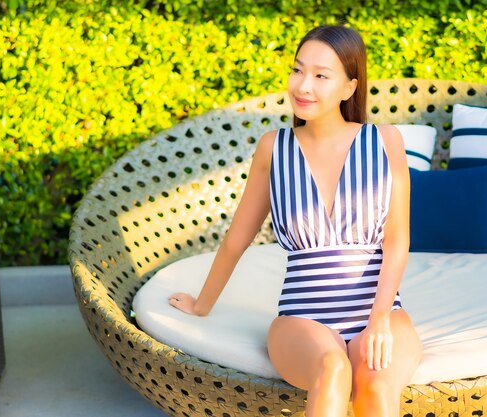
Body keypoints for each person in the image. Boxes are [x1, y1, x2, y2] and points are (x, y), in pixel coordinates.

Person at [168, 24, 423, 417]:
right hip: (303, 320)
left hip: (381, 311)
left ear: (349, 88)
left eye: (321, 76)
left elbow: (396, 241)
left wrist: (379, 320)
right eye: (298, 70)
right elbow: (236, 240)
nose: (303, 86)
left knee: (374, 383)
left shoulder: (385, 142)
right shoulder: (275, 148)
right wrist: (202, 305)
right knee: (333, 367)